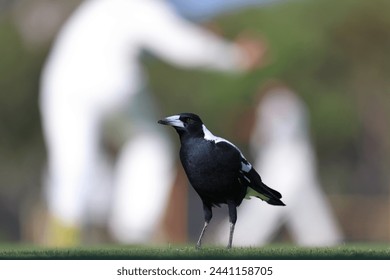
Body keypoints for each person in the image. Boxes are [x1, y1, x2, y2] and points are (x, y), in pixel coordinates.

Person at [40, 0, 265, 245]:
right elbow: (178, 44)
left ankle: (65, 239)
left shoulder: (105, 10)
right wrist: (235, 56)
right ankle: (131, 231)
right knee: (147, 146)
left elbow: (161, 36)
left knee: (74, 170)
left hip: (62, 86)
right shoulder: (139, 5)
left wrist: (196, 33)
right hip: (107, 85)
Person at [214, 84, 343, 246]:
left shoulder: (274, 101)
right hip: (294, 156)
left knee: (266, 201)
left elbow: (264, 134)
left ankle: (236, 238)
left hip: (283, 158)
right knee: (305, 203)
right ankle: (325, 241)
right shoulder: (290, 102)